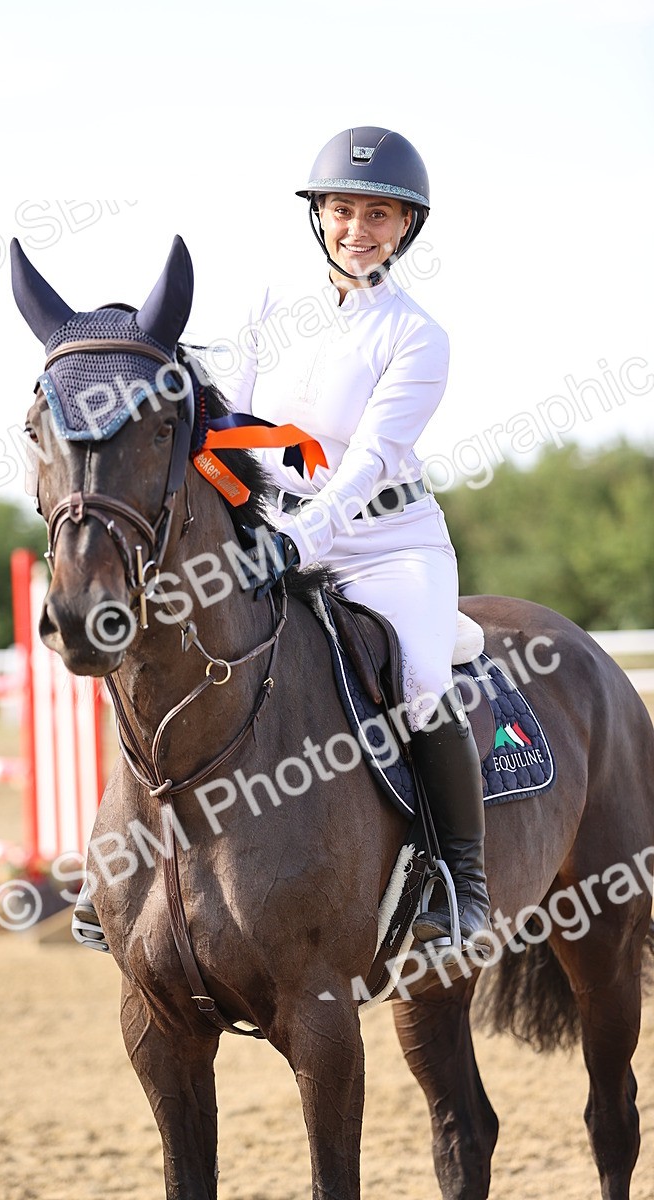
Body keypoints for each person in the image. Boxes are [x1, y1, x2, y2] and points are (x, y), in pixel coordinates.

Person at [224, 126, 492, 958]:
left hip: (389, 544)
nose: (357, 230)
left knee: (420, 683)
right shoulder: (267, 299)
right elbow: (225, 420)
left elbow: (367, 464)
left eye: (379, 214)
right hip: (275, 528)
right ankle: (120, 868)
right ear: (319, 215)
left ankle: (462, 883)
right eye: (343, 209)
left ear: (406, 226)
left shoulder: (418, 334)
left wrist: (295, 542)